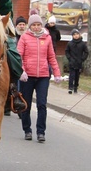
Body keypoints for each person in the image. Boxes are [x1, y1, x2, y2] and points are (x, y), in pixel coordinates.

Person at [18, 14, 62, 142]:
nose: (36, 27)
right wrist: (21, 71)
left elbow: (52, 57)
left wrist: (57, 73)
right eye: (34, 25)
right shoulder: (24, 38)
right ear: (30, 26)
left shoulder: (47, 38)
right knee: (26, 104)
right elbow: (18, 56)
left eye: (38, 25)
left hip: (43, 76)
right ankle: (27, 130)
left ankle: (41, 131)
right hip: (28, 76)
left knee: (42, 104)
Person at [65, 28, 88, 94]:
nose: (76, 36)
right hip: (72, 62)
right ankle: (70, 87)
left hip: (79, 62)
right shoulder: (70, 43)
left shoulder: (82, 44)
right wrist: (69, 58)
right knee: (71, 75)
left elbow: (86, 52)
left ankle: (75, 87)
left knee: (77, 76)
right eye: (74, 34)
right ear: (72, 36)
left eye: (77, 34)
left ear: (79, 35)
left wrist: (82, 59)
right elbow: (67, 51)